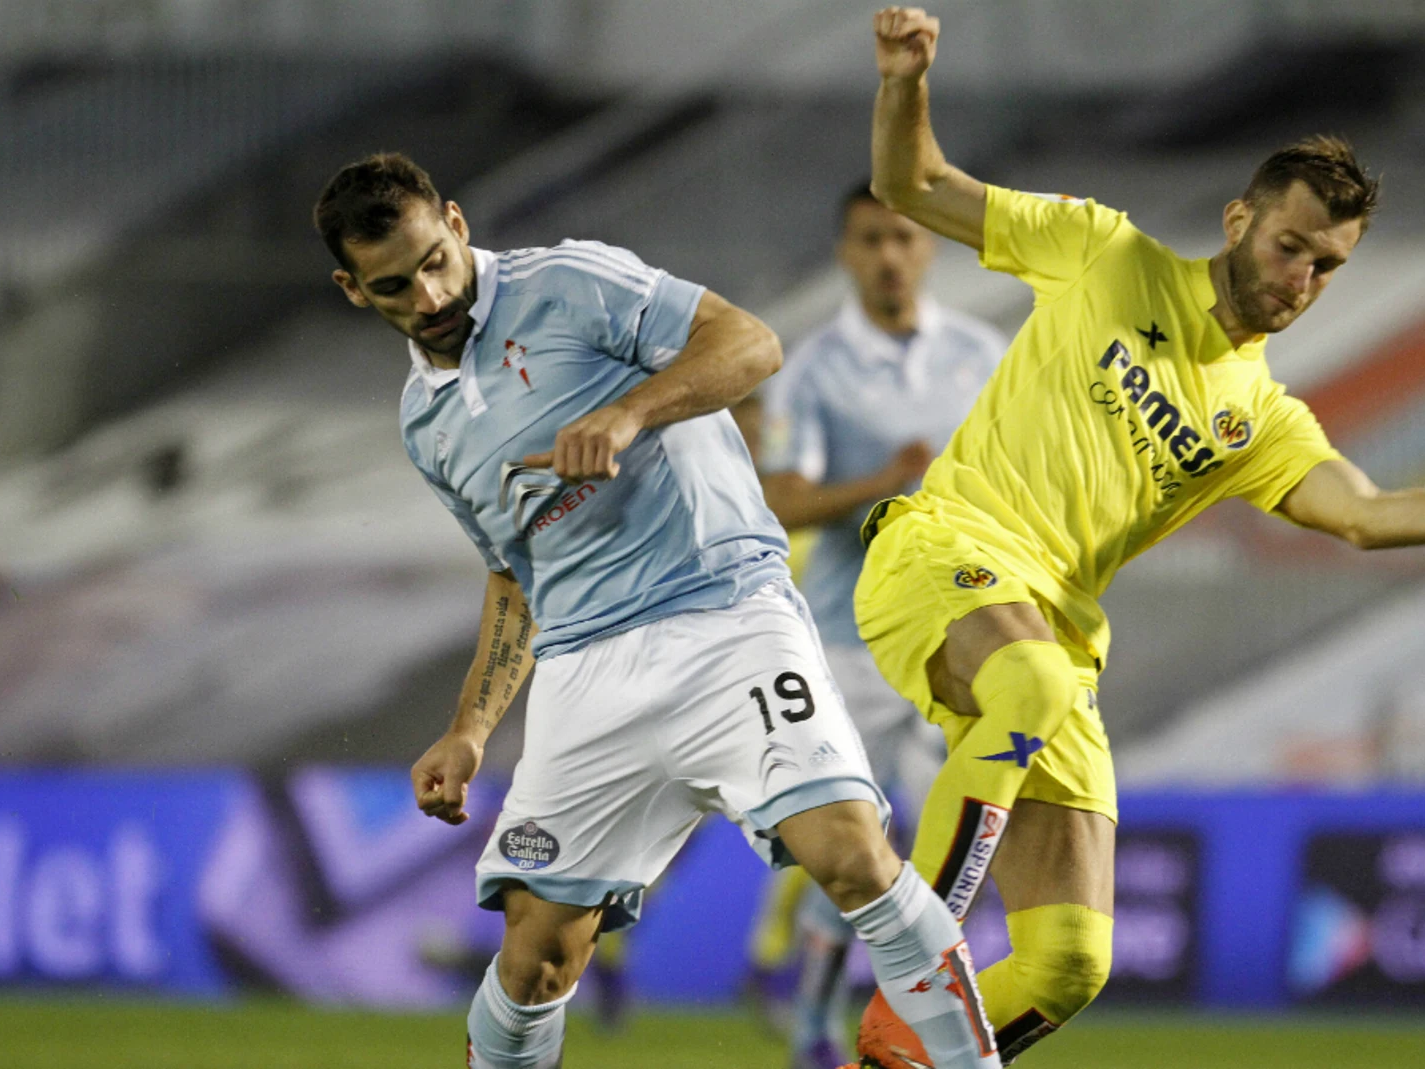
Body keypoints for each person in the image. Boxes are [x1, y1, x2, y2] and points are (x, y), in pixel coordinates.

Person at [853, 9, 1425, 1066]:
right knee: (1032, 687)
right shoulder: (1102, 252)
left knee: (1070, 962)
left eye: (1327, 265)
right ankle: (913, 958)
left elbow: (1360, 512)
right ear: (1239, 216)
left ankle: (888, 1059)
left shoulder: (1261, 419)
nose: (1301, 278)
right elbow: (913, 183)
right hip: (940, 551)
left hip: (1054, 635)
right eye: (1290, 245)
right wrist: (903, 78)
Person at [312, 152, 1003, 1069]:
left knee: (852, 856)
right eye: (395, 285)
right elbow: (514, 575)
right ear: (354, 290)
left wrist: (632, 413)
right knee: (535, 959)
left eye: (436, 258)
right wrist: (471, 728)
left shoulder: (567, 281)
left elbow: (750, 343)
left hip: (726, 613)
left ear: (457, 221)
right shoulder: (425, 424)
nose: (430, 293)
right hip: (585, 668)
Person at [751, 181, 1008, 1069]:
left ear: (928, 246)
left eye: (903, 237)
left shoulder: (985, 354)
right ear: (845, 253)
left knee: (926, 854)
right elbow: (781, 496)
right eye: (870, 240)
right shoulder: (813, 370)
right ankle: (821, 1018)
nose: (889, 255)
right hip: (847, 644)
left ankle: (881, 1027)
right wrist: (887, 483)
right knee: (857, 851)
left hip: (958, 644)